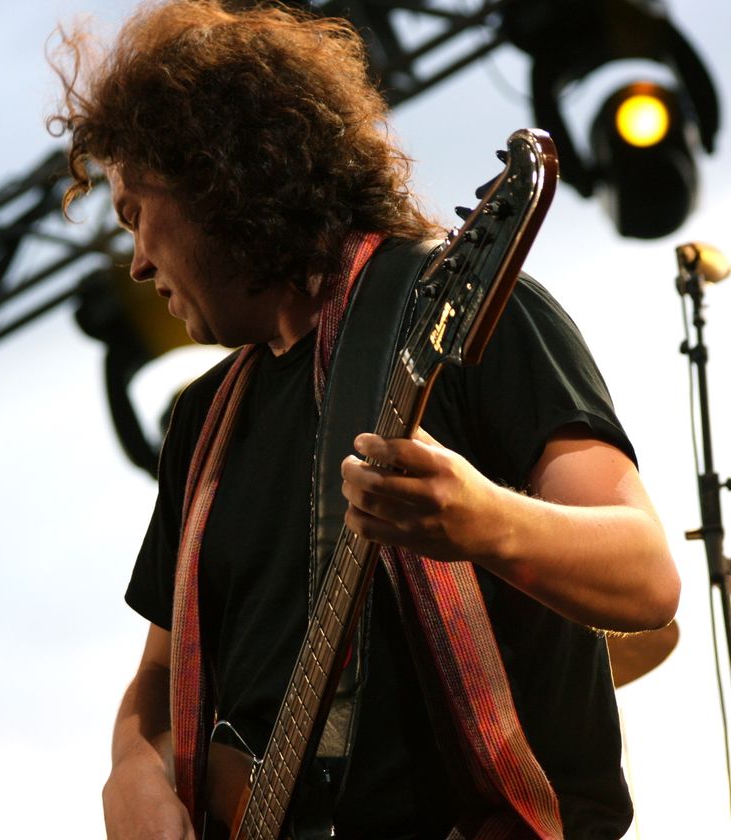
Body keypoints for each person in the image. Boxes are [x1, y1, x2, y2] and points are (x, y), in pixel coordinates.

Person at [48, 1, 680, 838]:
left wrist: (485, 520)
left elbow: (646, 575)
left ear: (214, 176)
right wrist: (131, 765)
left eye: (134, 213)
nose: (134, 262)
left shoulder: (462, 310)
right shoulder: (201, 425)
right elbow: (159, 678)